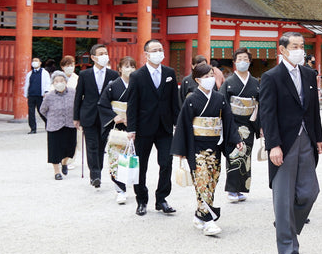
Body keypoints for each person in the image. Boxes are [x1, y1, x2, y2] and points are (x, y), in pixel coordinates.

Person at [258, 31, 322, 254]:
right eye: (295, 46)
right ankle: (289, 248)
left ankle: (285, 225)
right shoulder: (271, 77)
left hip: (306, 138)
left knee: (310, 191)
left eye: (302, 45)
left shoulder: (308, 73)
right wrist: (273, 145)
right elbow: (267, 114)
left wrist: (318, 137)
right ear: (283, 50)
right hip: (284, 143)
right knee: (284, 197)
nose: (300, 49)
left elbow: (313, 109)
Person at [172, 61, 242, 236]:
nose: (210, 79)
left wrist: (235, 139)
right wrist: (181, 150)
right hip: (197, 148)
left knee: (211, 182)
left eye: (212, 75)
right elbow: (183, 125)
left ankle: (199, 214)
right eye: (206, 77)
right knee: (202, 182)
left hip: (215, 147)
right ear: (197, 80)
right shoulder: (191, 100)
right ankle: (209, 220)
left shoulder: (219, 98)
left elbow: (228, 120)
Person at [126, 38, 180, 217]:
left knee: (166, 163)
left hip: (165, 127)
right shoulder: (137, 76)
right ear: (146, 54)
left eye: (160, 49)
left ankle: (162, 198)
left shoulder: (170, 73)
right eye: (154, 50)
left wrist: (178, 124)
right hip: (143, 127)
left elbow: (174, 102)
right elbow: (132, 104)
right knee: (141, 166)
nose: (158, 53)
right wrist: (131, 129)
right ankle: (141, 200)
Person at [74, 44, 118, 188]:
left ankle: (97, 169)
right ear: (93, 57)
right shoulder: (84, 75)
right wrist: (76, 117)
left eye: (106, 53)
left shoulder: (113, 75)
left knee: (101, 145)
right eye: (101, 53)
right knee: (91, 145)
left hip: (106, 116)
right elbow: (78, 96)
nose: (104, 55)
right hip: (88, 114)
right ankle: (95, 174)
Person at [98, 56, 137, 204]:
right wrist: (115, 117)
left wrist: (133, 119)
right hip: (117, 125)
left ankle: (135, 185)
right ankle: (120, 189)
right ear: (119, 69)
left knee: (133, 157)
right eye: (127, 66)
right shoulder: (112, 86)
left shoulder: (138, 85)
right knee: (116, 158)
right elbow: (102, 104)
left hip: (134, 126)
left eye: (133, 66)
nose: (130, 69)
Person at [223, 48, 260, 202]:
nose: (242, 62)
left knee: (246, 156)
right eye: (239, 59)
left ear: (249, 62)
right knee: (234, 155)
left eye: (245, 59)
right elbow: (223, 104)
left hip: (249, 124)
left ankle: (240, 189)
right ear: (234, 62)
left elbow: (261, 104)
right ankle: (232, 190)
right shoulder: (229, 83)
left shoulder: (255, 83)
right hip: (233, 124)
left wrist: (261, 126)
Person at [40, 72, 77, 179]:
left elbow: (78, 106)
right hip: (54, 126)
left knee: (70, 150)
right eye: (56, 81)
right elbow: (42, 110)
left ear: (66, 82)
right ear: (53, 83)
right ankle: (57, 172)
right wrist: (50, 119)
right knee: (54, 150)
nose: (59, 83)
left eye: (62, 81)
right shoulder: (49, 96)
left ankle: (64, 163)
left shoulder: (73, 93)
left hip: (70, 124)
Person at [23, 57, 51, 134]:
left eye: (36, 61)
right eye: (33, 61)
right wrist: (26, 93)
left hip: (40, 95)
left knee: (41, 111)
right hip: (31, 94)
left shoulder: (44, 73)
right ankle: (33, 128)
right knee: (31, 112)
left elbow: (47, 83)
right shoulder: (30, 73)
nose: (34, 62)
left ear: (40, 63)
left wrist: (46, 91)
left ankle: (48, 123)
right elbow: (27, 84)